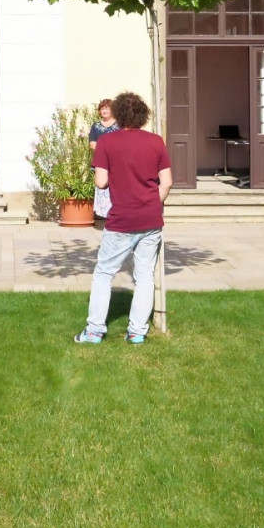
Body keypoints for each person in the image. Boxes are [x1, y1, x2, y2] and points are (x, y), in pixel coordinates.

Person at [76, 91, 171, 345]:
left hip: (121, 220)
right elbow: (167, 182)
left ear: (118, 114)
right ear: (143, 115)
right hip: (151, 220)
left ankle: (94, 331)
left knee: (104, 273)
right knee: (144, 276)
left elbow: (101, 182)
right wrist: (152, 203)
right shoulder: (156, 142)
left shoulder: (107, 142)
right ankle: (137, 331)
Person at [88, 99, 119, 220]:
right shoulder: (96, 126)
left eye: (107, 108)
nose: (104, 111)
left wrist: (105, 148)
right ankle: (106, 215)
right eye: (102, 108)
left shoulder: (119, 125)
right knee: (102, 187)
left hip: (117, 162)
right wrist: (108, 150)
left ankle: (116, 213)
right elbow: (92, 144)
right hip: (101, 162)